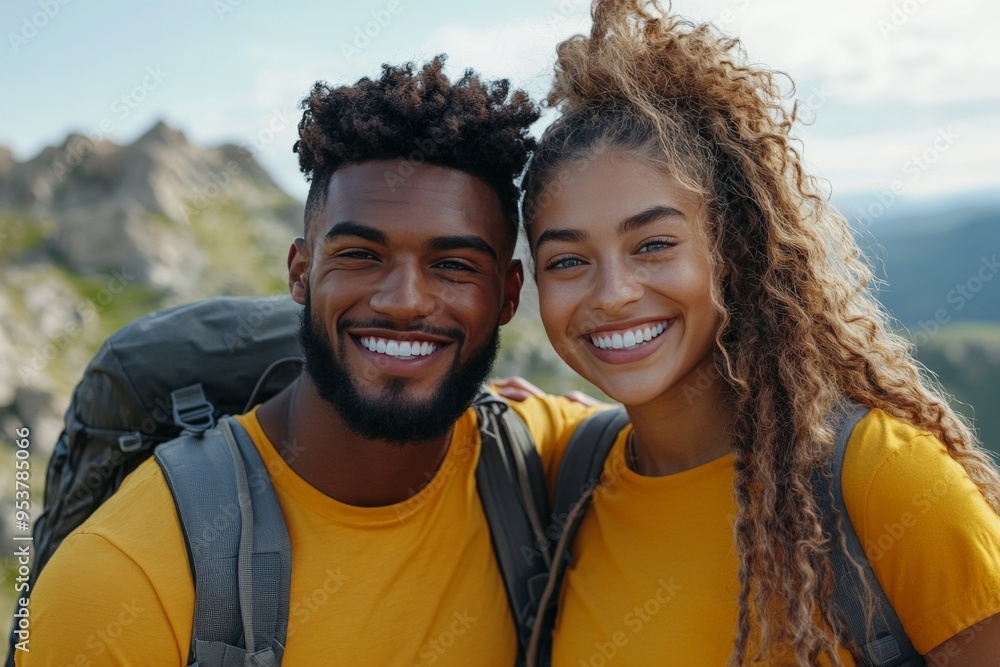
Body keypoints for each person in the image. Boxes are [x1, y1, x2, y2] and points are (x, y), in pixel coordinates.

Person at [21, 57, 597, 665]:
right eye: (360, 255)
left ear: (507, 295)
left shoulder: (550, 455)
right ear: (301, 273)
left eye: (453, 265)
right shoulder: (116, 579)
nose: (403, 302)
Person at [501, 1, 1000, 664]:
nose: (613, 292)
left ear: (732, 247)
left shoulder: (882, 478)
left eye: (653, 244)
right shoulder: (572, 470)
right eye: (568, 260)